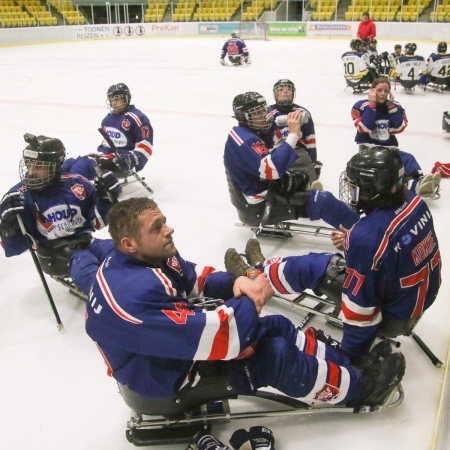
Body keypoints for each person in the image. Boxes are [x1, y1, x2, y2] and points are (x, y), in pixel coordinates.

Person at [84, 196, 405, 409]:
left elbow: (192, 277)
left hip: (166, 356)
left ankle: (344, 364)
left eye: (164, 220)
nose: (169, 229)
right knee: (273, 355)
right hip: (161, 384)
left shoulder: (146, 253)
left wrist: (235, 281)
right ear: (129, 243)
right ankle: (360, 389)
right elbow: (226, 336)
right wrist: (257, 294)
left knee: (276, 325)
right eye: (158, 227)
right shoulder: (133, 298)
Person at [225, 147, 441, 361]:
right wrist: (353, 241)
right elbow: (393, 252)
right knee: (331, 221)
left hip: (393, 316)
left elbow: (361, 310)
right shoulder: (415, 202)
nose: (349, 188)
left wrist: (350, 356)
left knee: (315, 266)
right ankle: (264, 270)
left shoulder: (367, 239)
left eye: (355, 185)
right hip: (417, 301)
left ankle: (258, 275)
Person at [0, 134, 118, 294]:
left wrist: (106, 199)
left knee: (126, 249)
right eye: (29, 164)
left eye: (39, 166)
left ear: (55, 166)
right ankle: (113, 301)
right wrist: (8, 227)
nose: (32, 171)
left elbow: (96, 222)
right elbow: (15, 248)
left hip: (85, 243)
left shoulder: (78, 184)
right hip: (53, 256)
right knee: (85, 261)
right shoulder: (18, 197)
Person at [224, 92, 323, 227]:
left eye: (263, 110)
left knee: (297, 175)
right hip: (261, 202)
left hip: (261, 186)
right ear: (243, 117)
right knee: (323, 200)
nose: (263, 116)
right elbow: (273, 170)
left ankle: (305, 183)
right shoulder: (246, 139)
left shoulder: (248, 132)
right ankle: (356, 232)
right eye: (256, 113)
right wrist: (293, 134)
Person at [351, 77, 440, 196]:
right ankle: (414, 185)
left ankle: (419, 183)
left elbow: (399, 127)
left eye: (386, 91)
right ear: (372, 90)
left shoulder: (394, 106)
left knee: (408, 158)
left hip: (388, 150)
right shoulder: (361, 106)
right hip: (368, 151)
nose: (383, 94)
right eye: (379, 90)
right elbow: (364, 127)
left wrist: (391, 107)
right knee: (391, 169)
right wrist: (372, 105)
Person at [266, 79, 321, 182]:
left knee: (310, 182)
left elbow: (310, 141)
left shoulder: (304, 113)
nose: (285, 91)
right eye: (281, 89)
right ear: (275, 94)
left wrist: (313, 162)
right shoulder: (268, 114)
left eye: (289, 89)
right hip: (277, 152)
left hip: (299, 152)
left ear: (293, 93)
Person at [96, 83, 153, 174]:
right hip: (106, 158)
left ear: (126, 99)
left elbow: (146, 146)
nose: (113, 103)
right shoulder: (107, 120)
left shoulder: (137, 118)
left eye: (117, 99)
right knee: (77, 163)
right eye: (111, 100)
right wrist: (99, 155)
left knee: (84, 167)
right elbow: (106, 145)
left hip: (121, 160)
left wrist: (132, 158)